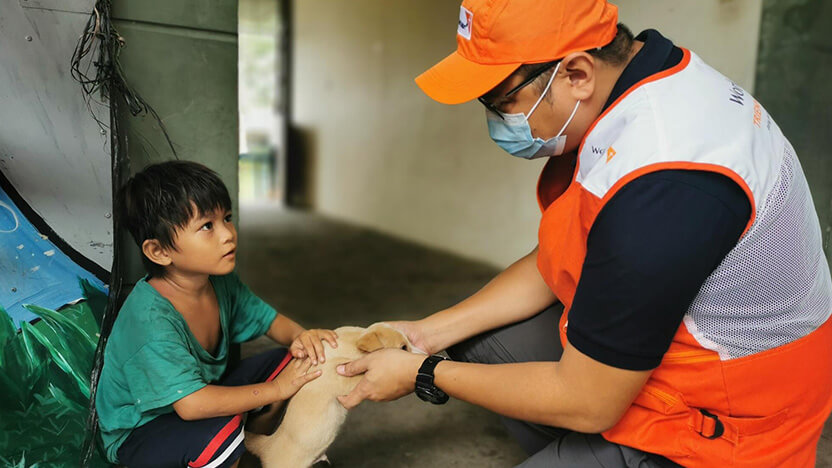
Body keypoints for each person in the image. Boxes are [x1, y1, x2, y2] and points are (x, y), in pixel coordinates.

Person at [334, 1, 832, 466]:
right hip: (689, 358)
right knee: (481, 340)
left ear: (576, 74)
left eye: (500, 98)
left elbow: (589, 402)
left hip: (730, 421)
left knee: (563, 399)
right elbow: (563, 253)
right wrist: (424, 334)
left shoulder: (666, 183)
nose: (494, 117)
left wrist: (421, 373)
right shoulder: (645, 83)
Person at [95, 161, 335, 468]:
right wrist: (275, 389)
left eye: (228, 218)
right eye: (207, 226)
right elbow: (191, 405)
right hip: (142, 433)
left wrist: (303, 337)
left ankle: (259, 455)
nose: (228, 234)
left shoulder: (219, 281)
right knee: (221, 436)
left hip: (201, 401)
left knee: (297, 362)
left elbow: (270, 321)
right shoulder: (150, 320)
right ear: (159, 252)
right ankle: (230, 452)